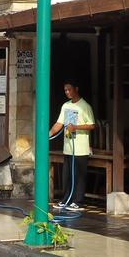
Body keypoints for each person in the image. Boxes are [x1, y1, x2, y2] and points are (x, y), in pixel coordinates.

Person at [48, 79, 95, 210]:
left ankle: (78, 201)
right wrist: (49, 133)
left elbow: (92, 125)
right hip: (68, 147)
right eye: (65, 90)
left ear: (76, 89)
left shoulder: (85, 106)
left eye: (69, 89)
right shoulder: (66, 106)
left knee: (79, 175)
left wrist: (76, 127)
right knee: (67, 175)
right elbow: (59, 123)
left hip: (80, 147)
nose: (67, 92)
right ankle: (66, 199)